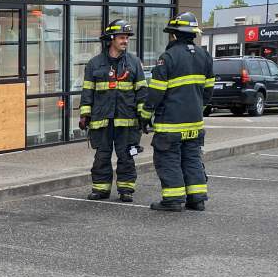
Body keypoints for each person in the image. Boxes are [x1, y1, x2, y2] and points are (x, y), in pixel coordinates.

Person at [140, 12, 214, 212]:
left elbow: (155, 93)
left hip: (171, 123)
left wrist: (145, 115)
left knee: (168, 158)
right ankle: (197, 199)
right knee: (191, 158)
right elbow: (208, 92)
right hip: (195, 123)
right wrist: (197, 107)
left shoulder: (168, 58)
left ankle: (173, 200)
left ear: (173, 34)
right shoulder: (205, 56)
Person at [78, 19, 147, 202]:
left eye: (127, 38)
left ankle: (126, 190)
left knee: (127, 156)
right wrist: (85, 114)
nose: (125, 41)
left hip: (127, 120)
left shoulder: (134, 63)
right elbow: (88, 92)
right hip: (102, 119)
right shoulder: (94, 64)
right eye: (122, 37)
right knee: (102, 156)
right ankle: (101, 189)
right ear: (111, 39)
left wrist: (144, 116)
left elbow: (142, 91)